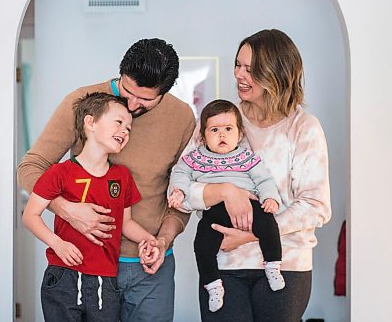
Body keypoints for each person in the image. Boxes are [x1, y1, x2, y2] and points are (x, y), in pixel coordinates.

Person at [17, 38, 196, 322]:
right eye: (127, 91)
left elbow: (184, 191)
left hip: (148, 267)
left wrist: (162, 240)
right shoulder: (84, 102)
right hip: (83, 265)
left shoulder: (182, 117)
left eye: (146, 99)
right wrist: (66, 209)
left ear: (166, 90)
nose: (132, 105)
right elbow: (31, 167)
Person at [184, 29, 331, 321]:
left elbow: (316, 207)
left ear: (276, 72)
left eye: (250, 69)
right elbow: (181, 190)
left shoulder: (304, 127)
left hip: (285, 265)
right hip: (223, 264)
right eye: (238, 65)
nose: (239, 74)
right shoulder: (220, 121)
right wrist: (226, 190)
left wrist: (250, 235)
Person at [22, 92, 160, 321]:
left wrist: (149, 240)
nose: (125, 131)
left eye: (129, 128)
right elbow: (30, 216)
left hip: (105, 281)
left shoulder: (122, 177)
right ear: (90, 122)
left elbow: (126, 223)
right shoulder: (60, 172)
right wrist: (58, 244)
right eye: (119, 122)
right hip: (63, 276)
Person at [168, 99, 284, 313]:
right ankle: (213, 284)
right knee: (202, 244)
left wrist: (270, 199)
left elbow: (264, 180)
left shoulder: (246, 157)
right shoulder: (196, 158)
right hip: (215, 211)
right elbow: (180, 174)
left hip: (249, 205)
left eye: (228, 129)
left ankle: (273, 265)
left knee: (268, 224)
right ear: (203, 136)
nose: (222, 135)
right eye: (214, 130)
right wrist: (179, 191)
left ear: (239, 134)